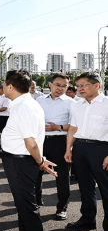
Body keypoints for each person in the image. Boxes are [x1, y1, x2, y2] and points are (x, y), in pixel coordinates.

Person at [0, 69, 57, 231]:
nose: (2, 87)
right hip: (19, 161)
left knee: (28, 209)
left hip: (21, 163)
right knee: (23, 207)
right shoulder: (24, 104)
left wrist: (40, 161)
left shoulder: (24, 107)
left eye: (4, 84)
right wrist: (39, 159)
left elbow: (31, 142)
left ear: (11, 87)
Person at [64, 72, 108, 231]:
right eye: (78, 86)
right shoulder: (78, 105)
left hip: (102, 149)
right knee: (84, 186)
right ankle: (87, 219)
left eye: (84, 85)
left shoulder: (106, 104)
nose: (79, 88)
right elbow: (73, 128)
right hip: (80, 148)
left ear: (97, 85)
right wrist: (69, 149)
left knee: (106, 191)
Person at [35, 73, 75, 217]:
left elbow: (75, 126)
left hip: (60, 142)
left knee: (62, 176)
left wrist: (58, 127)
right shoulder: (39, 100)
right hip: (40, 142)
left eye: (65, 86)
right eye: (58, 84)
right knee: (35, 173)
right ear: (50, 84)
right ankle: (35, 203)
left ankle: (62, 208)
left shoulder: (71, 103)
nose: (61, 88)